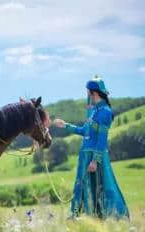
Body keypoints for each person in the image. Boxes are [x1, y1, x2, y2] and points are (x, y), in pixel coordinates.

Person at [52, 75, 129, 220]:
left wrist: (95, 160)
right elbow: (84, 131)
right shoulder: (94, 111)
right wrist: (66, 126)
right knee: (82, 185)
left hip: (95, 156)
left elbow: (102, 139)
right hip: (85, 155)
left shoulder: (105, 112)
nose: (87, 95)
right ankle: (80, 215)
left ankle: (110, 216)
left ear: (94, 93)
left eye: (88, 92)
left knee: (100, 187)